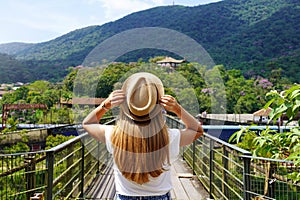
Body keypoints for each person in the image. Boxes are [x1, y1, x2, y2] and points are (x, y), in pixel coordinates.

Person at [82, 72, 203, 200]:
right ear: (158, 104)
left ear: (127, 105)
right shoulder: (169, 136)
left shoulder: (113, 134)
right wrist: (178, 109)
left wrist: (106, 105)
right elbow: (197, 130)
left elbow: (88, 123)